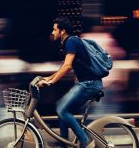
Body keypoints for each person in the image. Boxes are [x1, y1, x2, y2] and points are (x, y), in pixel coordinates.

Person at [38, 18, 102, 148]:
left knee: (62, 110)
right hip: (86, 84)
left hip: (89, 84)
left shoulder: (71, 41)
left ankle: (85, 141)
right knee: (60, 105)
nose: (53, 32)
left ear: (63, 31)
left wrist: (51, 83)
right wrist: (48, 78)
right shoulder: (70, 42)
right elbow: (64, 67)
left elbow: (67, 66)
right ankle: (64, 143)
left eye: (55, 29)